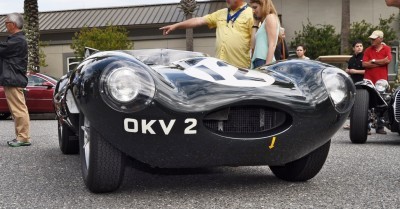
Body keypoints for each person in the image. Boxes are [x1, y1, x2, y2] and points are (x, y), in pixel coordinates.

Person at [160, 0, 254, 69]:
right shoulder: (220, 13)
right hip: (220, 67)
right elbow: (198, 21)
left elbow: (256, 44)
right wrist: (176, 26)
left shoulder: (251, 14)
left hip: (240, 69)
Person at [0, 13, 31, 147]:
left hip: (13, 78)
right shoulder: (15, 39)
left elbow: (1, 49)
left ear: (12, 24)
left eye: (6, 22)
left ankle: (23, 138)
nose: (5, 25)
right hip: (12, 78)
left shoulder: (17, 40)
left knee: (18, 109)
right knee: (16, 110)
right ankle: (21, 136)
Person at [362, 30, 392, 135]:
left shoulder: (387, 48)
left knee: (382, 104)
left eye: (374, 39)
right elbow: (364, 65)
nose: (372, 40)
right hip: (368, 81)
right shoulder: (368, 50)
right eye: (371, 39)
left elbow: (387, 60)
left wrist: (373, 61)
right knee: (366, 105)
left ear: (381, 39)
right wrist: (380, 62)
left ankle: (380, 127)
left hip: (381, 83)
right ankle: (365, 127)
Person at [249, 0, 280, 69]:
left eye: (255, 7)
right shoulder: (264, 22)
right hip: (258, 61)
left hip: (263, 61)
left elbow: (272, 45)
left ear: (263, 5)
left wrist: (266, 67)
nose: (253, 11)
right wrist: (256, 23)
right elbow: (252, 45)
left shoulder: (270, 17)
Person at [343, 40, 365, 130]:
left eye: (361, 46)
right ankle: (352, 123)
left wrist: (355, 71)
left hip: (363, 84)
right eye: (357, 46)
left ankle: (365, 126)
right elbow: (348, 70)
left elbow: (368, 71)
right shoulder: (351, 59)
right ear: (353, 48)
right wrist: (347, 71)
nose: (359, 47)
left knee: (362, 105)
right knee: (353, 104)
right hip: (353, 84)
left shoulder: (365, 57)